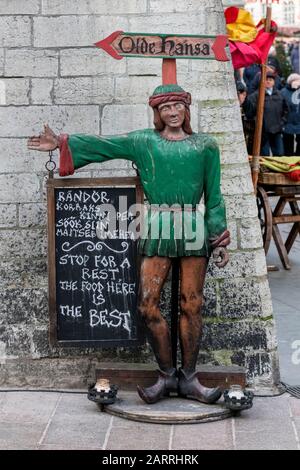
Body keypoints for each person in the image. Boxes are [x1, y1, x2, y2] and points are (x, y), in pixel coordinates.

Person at [28, 84, 230, 405]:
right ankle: (165, 374)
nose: (173, 112)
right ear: (157, 113)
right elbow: (105, 145)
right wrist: (62, 143)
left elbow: (215, 195)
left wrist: (219, 238)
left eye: (178, 106)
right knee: (147, 304)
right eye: (166, 108)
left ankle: (190, 377)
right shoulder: (143, 142)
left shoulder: (205, 146)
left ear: (186, 109)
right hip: (159, 224)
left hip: (193, 224)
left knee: (192, 304)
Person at [243, 72, 287, 156]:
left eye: (270, 80)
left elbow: (286, 110)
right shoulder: (255, 96)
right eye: (266, 79)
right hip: (262, 132)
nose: (268, 81)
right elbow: (250, 112)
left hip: (277, 130)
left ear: (274, 82)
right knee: (264, 155)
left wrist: (282, 123)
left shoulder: (279, 94)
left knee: (280, 154)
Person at [281, 73, 300, 156]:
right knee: (288, 143)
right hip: (287, 122)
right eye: (295, 81)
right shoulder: (283, 92)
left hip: (299, 121)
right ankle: (289, 160)